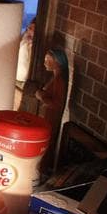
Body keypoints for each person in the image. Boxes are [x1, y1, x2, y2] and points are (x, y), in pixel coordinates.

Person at [35, 47, 69, 177]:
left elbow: (57, 103)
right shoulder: (55, 78)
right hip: (46, 117)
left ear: (57, 62)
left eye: (47, 60)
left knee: (47, 145)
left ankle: (42, 171)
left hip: (51, 118)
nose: (44, 63)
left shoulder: (59, 80)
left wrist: (41, 96)